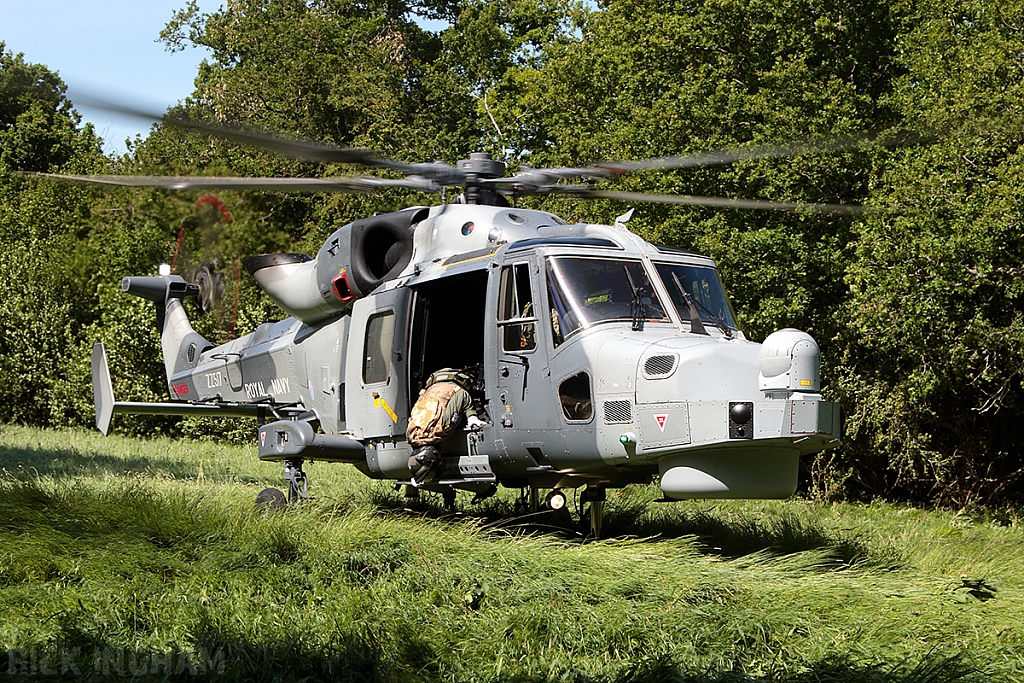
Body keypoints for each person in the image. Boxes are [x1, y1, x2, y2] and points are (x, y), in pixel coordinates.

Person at [407, 368, 487, 484]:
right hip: (432, 380)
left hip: (455, 377)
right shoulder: (410, 435)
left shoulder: (443, 426)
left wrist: (472, 417)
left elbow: (462, 395)